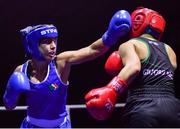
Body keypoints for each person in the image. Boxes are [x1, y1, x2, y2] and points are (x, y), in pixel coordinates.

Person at [3, 10, 131, 128]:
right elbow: (9, 107)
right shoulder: (21, 70)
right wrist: (11, 94)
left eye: (55, 41)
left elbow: (92, 50)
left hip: (60, 126)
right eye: (47, 42)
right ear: (34, 45)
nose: (53, 46)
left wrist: (111, 35)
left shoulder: (61, 63)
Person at [85, 7, 180, 127]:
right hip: (173, 108)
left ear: (137, 22)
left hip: (143, 106)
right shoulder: (169, 50)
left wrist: (112, 89)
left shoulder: (131, 44)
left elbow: (134, 67)